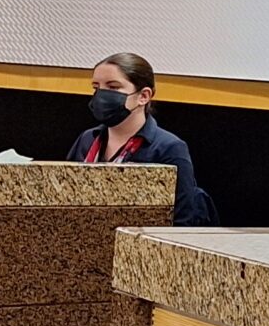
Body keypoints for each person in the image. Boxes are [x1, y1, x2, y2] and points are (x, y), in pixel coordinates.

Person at [71, 52, 215, 226]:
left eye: (113, 87)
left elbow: (182, 220)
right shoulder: (87, 139)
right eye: (96, 87)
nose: (101, 96)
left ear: (143, 96)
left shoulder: (169, 148)